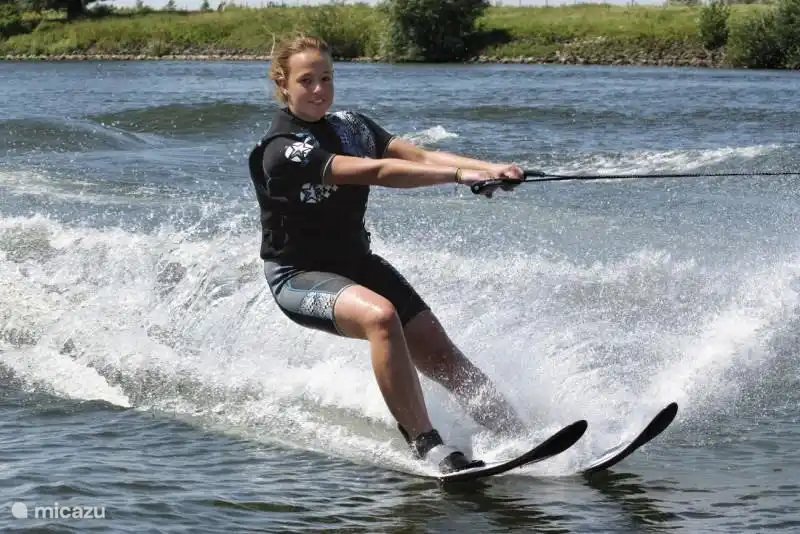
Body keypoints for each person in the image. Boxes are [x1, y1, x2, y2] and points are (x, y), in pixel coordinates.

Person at [247, 33, 526, 474]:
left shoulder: (352, 127)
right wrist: (459, 177)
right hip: (298, 276)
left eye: (326, 78)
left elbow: (418, 156)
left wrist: (490, 169)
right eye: (306, 80)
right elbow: (378, 171)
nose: (319, 89)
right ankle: (427, 445)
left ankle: (521, 436)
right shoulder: (281, 150)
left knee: (439, 350)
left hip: (357, 264)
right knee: (381, 317)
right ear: (283, 83)